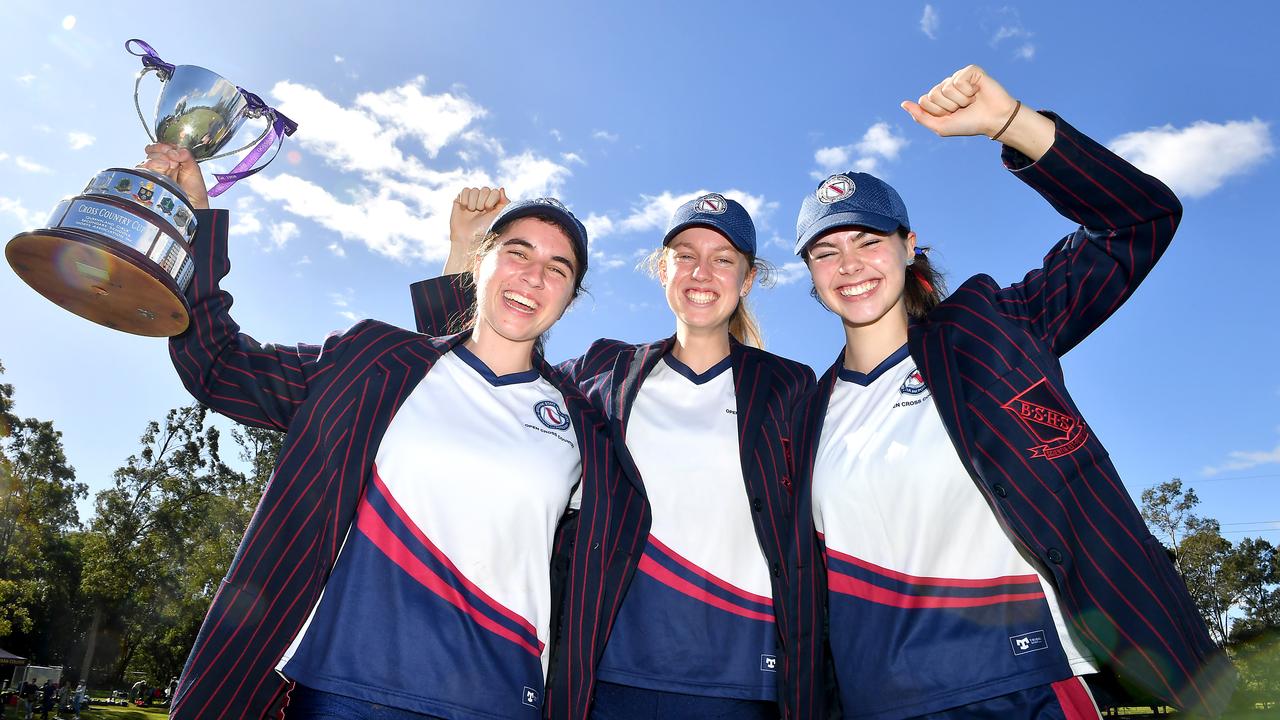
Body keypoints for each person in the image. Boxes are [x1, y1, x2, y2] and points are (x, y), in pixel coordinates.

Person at [788, 65, 1236, 718]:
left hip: (1025, 685)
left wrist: (1010, 123)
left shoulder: (994, 326)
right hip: (876, 702)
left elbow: (1138, 221)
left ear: (908, 247)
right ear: (810, 273)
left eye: (868, 240)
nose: (849, 263)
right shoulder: (805, 417)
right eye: (826, 252)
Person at [139, 144, 622, 720]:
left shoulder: (583, 424)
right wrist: (195, 217)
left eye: (557, 269)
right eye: (517, 253)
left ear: (569, 299)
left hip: (500, 700)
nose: (534, 277)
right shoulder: (375, 364)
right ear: (484, 263)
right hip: (344, 691)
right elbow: (219, 364)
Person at [411, 190, 818, 718]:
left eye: (723, 260)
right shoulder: (604, 372)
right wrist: (465, 250)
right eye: (686, 255)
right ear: (662, 269)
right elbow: (477, 383)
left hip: (742, 680)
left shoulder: (788, 384)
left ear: (746, 280)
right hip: (610, 674)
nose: (702, 272)